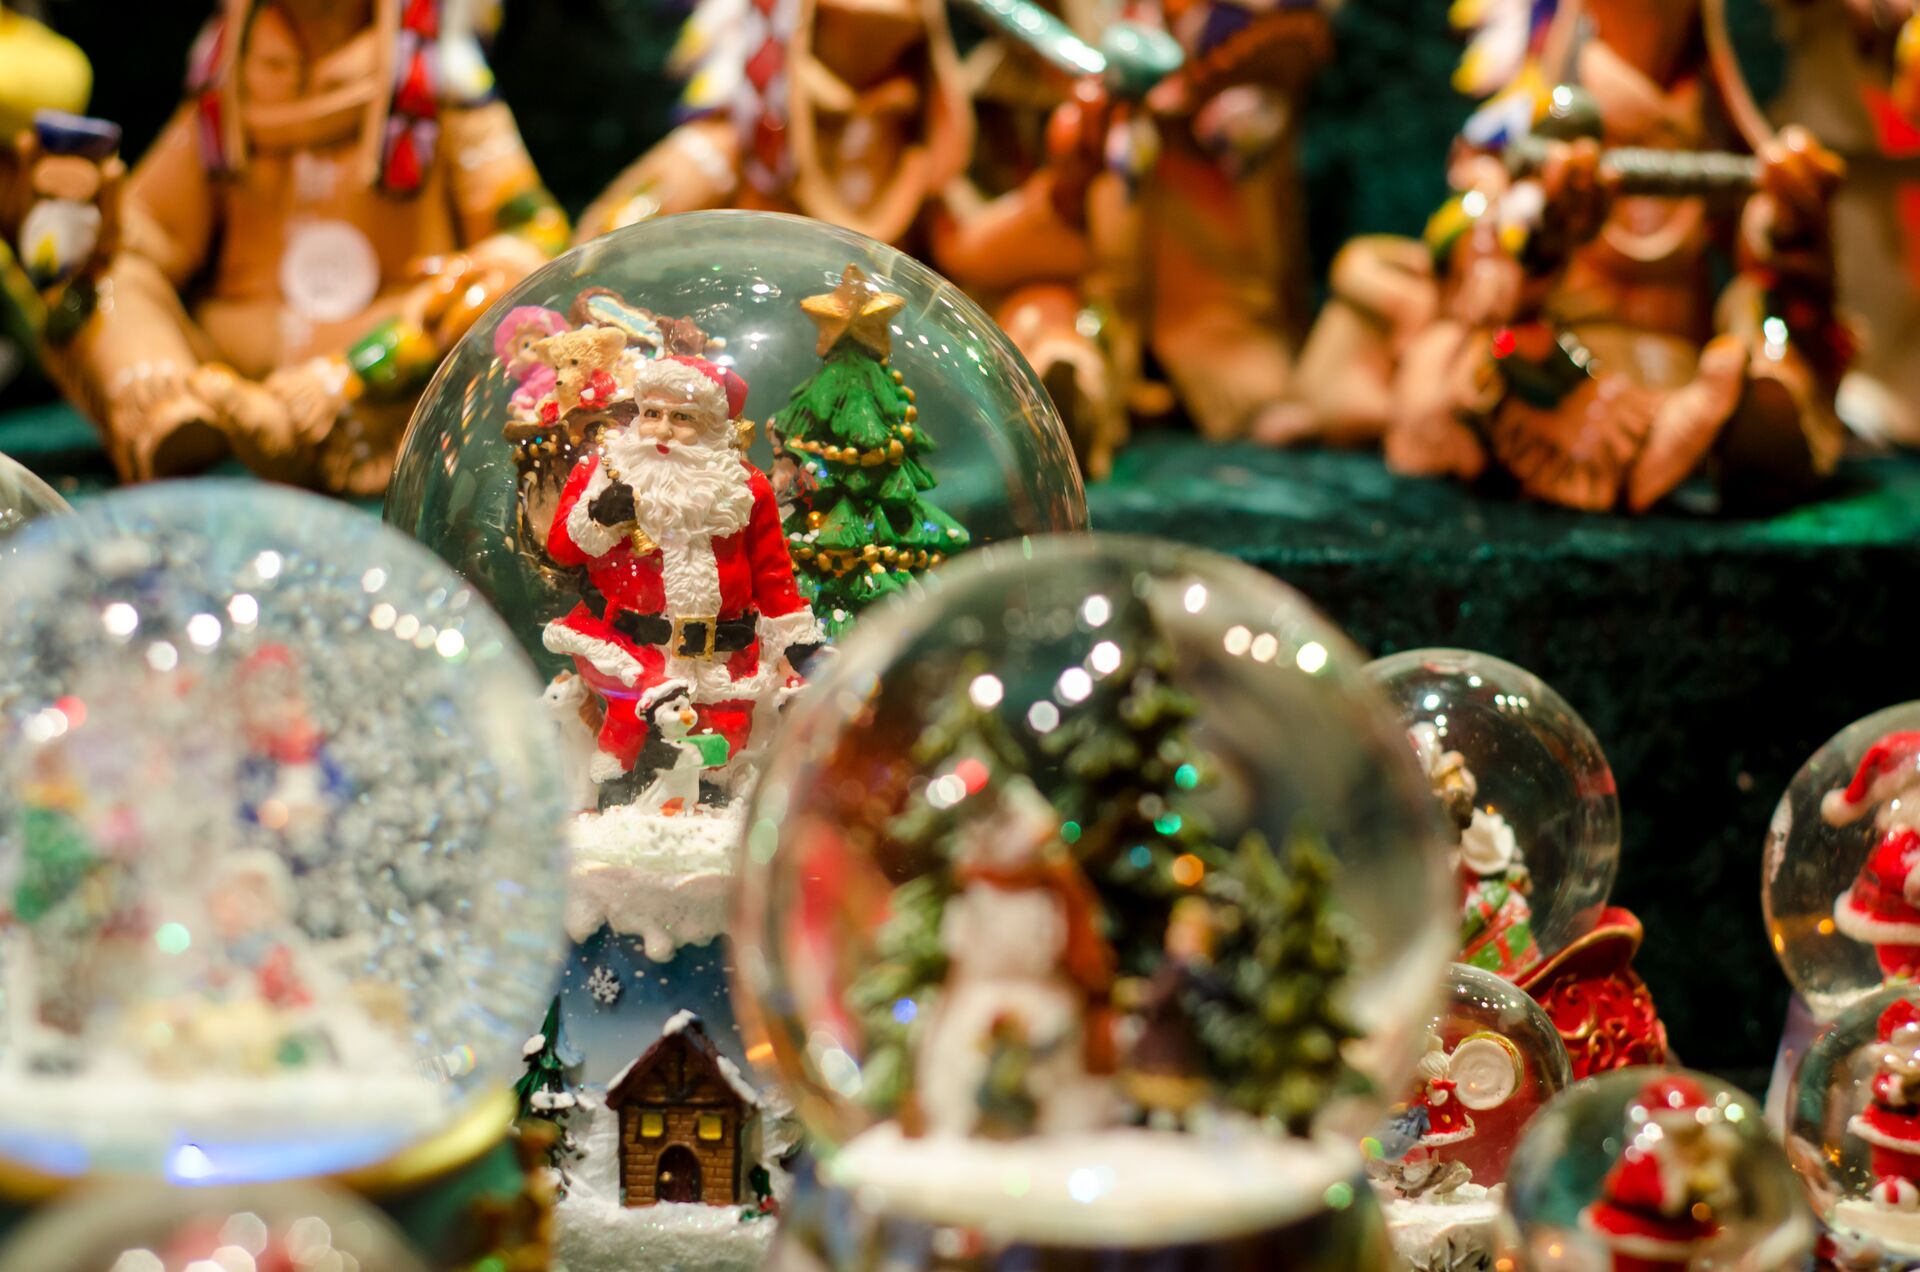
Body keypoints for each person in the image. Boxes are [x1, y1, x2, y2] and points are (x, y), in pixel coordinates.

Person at [542, 353, 822, 784]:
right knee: (628, 735)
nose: (664, 430)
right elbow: (561, 547)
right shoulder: (603, 472)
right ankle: (617, 788)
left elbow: (772, 573)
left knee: (718, 746)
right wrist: (598, 515)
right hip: (629, 649)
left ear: (711, 425)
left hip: (722, 655)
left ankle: (707, 791)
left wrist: (797, 643)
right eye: (652, 413)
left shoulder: (743, 487)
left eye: (683, 418)